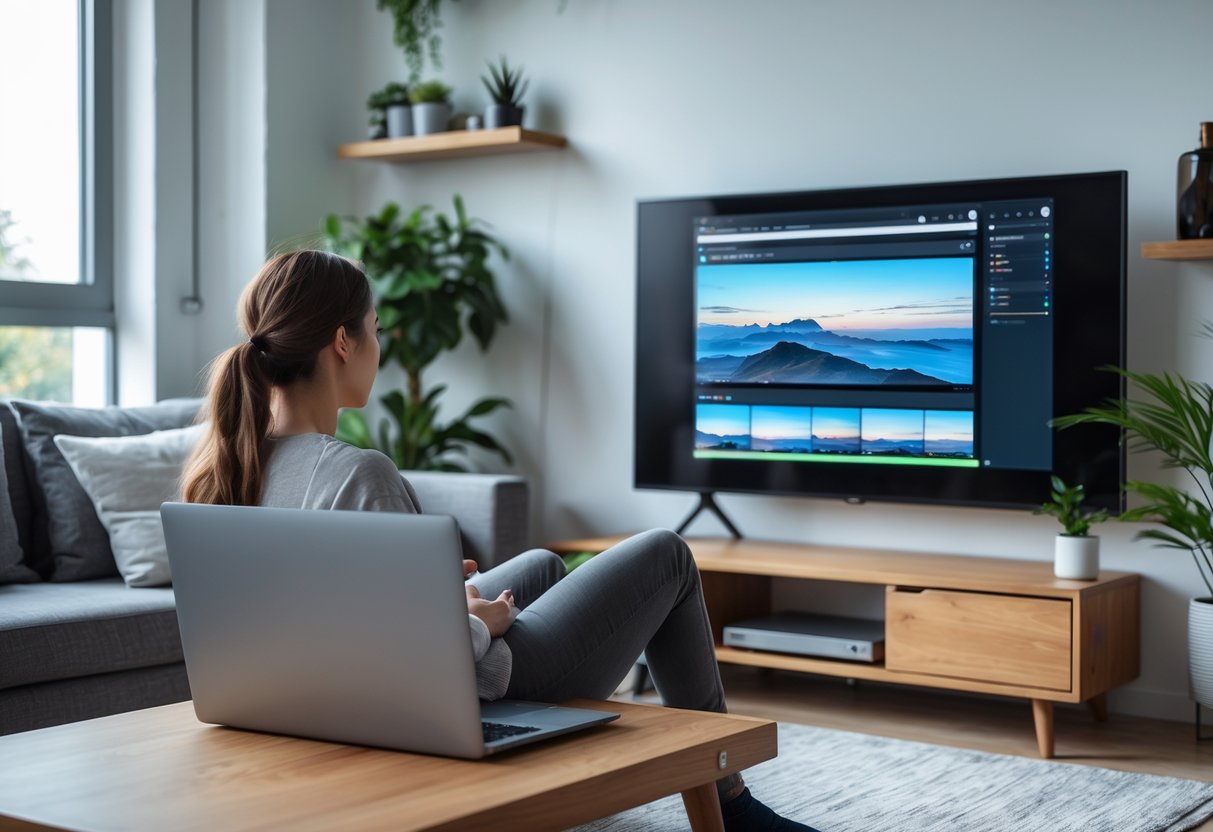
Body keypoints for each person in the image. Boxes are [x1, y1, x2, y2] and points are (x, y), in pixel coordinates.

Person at [182, 250, 819, 832]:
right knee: (668, 555)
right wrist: (476, 622)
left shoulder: (230, 465)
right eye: (375, 329)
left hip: (325, 700)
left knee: (542, 564)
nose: (381, 345)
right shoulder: (358, 474)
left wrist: (444, 599)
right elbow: (419, 666)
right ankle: (732, 802)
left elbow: (335, 626)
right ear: (343, 343)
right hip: (458, 701)